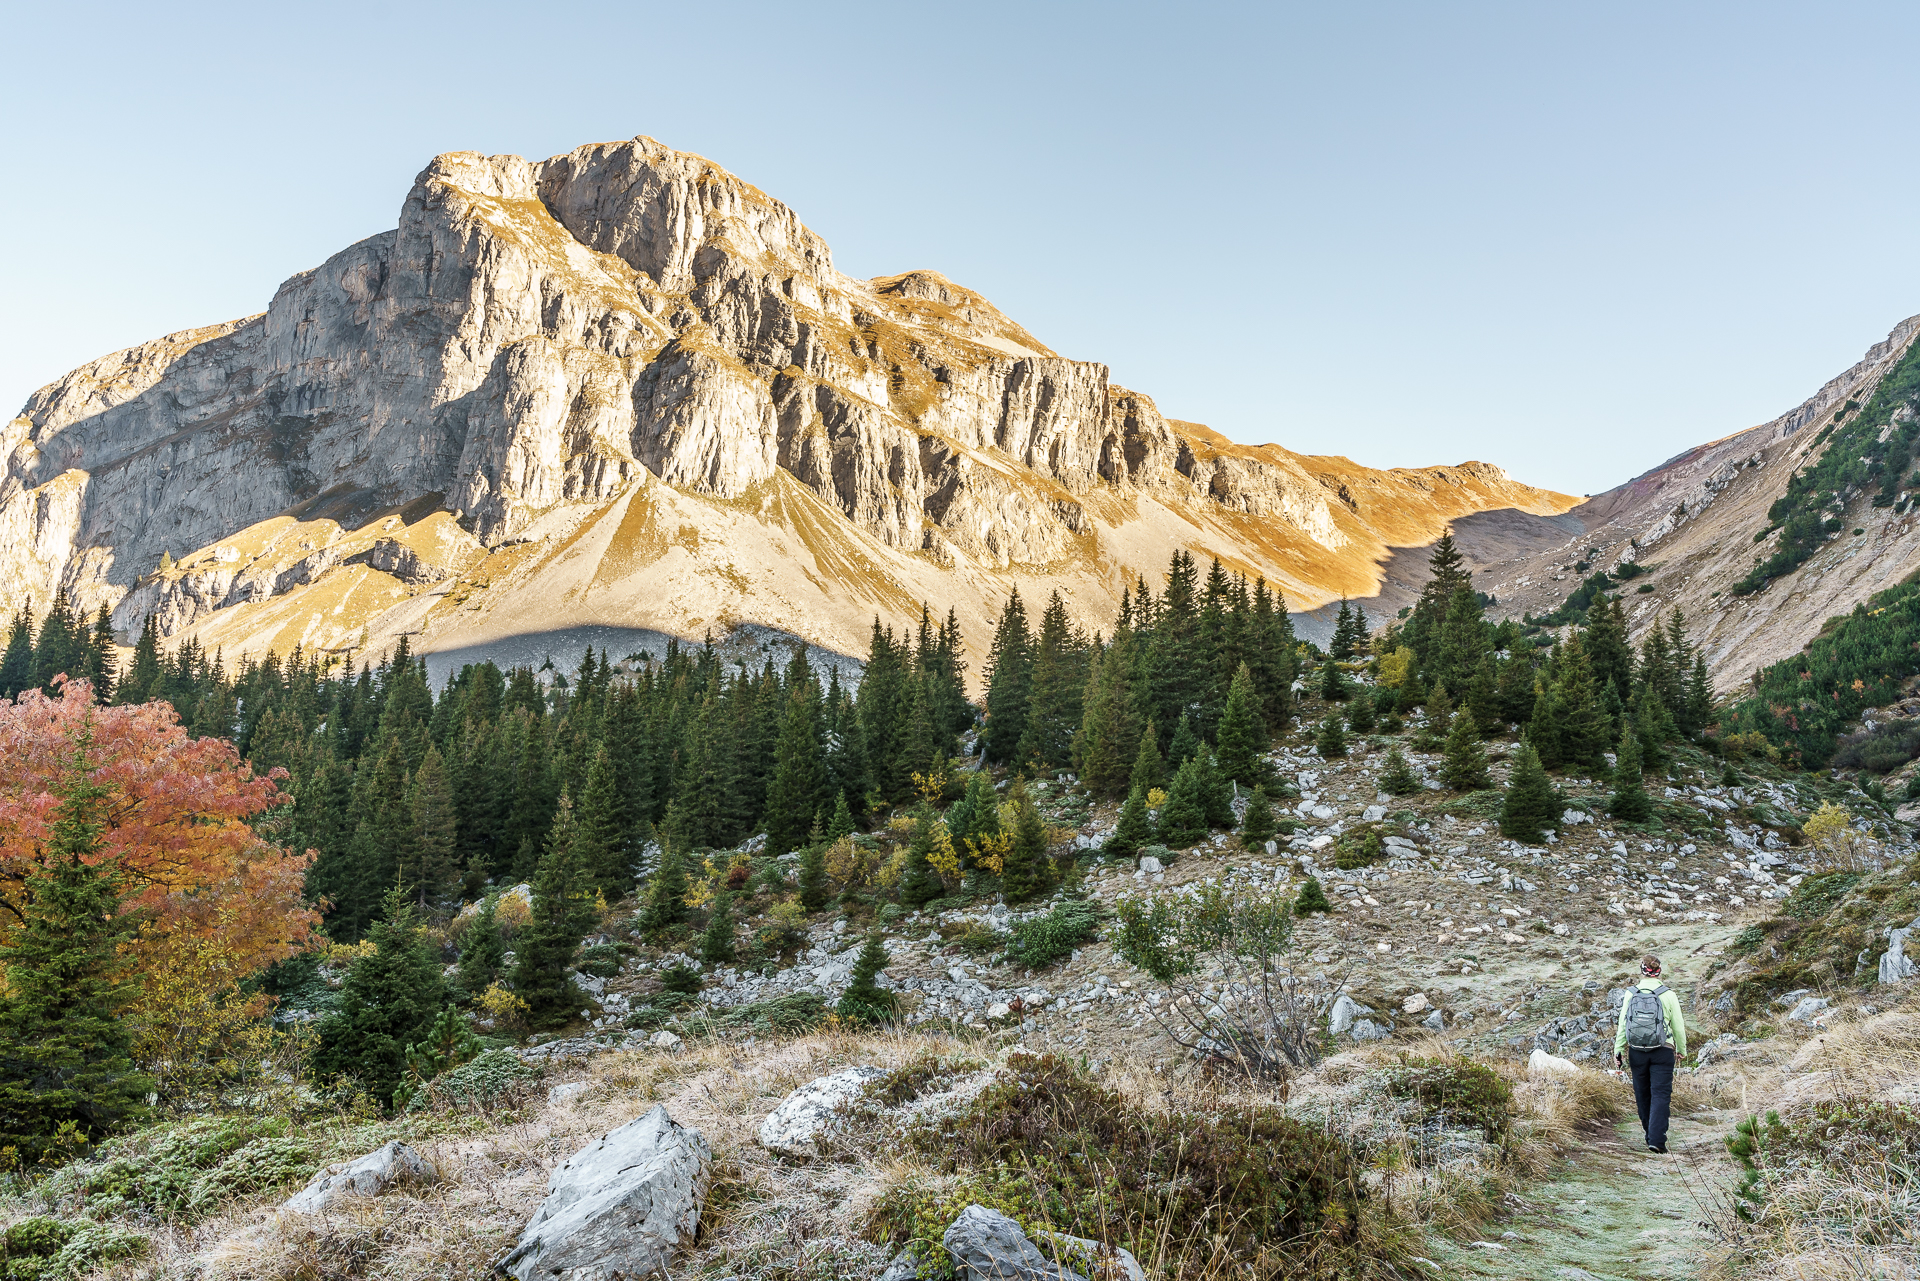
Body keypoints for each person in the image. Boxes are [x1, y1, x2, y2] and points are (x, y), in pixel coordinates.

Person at [1614, 953, 1687, 1153]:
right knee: (1660, 1094)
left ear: (1642, 970)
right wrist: (1681, 1050)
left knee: (1642, 1093)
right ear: (1659, 971)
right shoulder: (1668, 994)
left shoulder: (1631, 994)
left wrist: (1618, 1050)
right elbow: (1679, 1027)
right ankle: (1657, 1139)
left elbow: (1623, 1025)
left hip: (1637, 1051)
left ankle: (1649, 1134)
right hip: (1663, 1051)